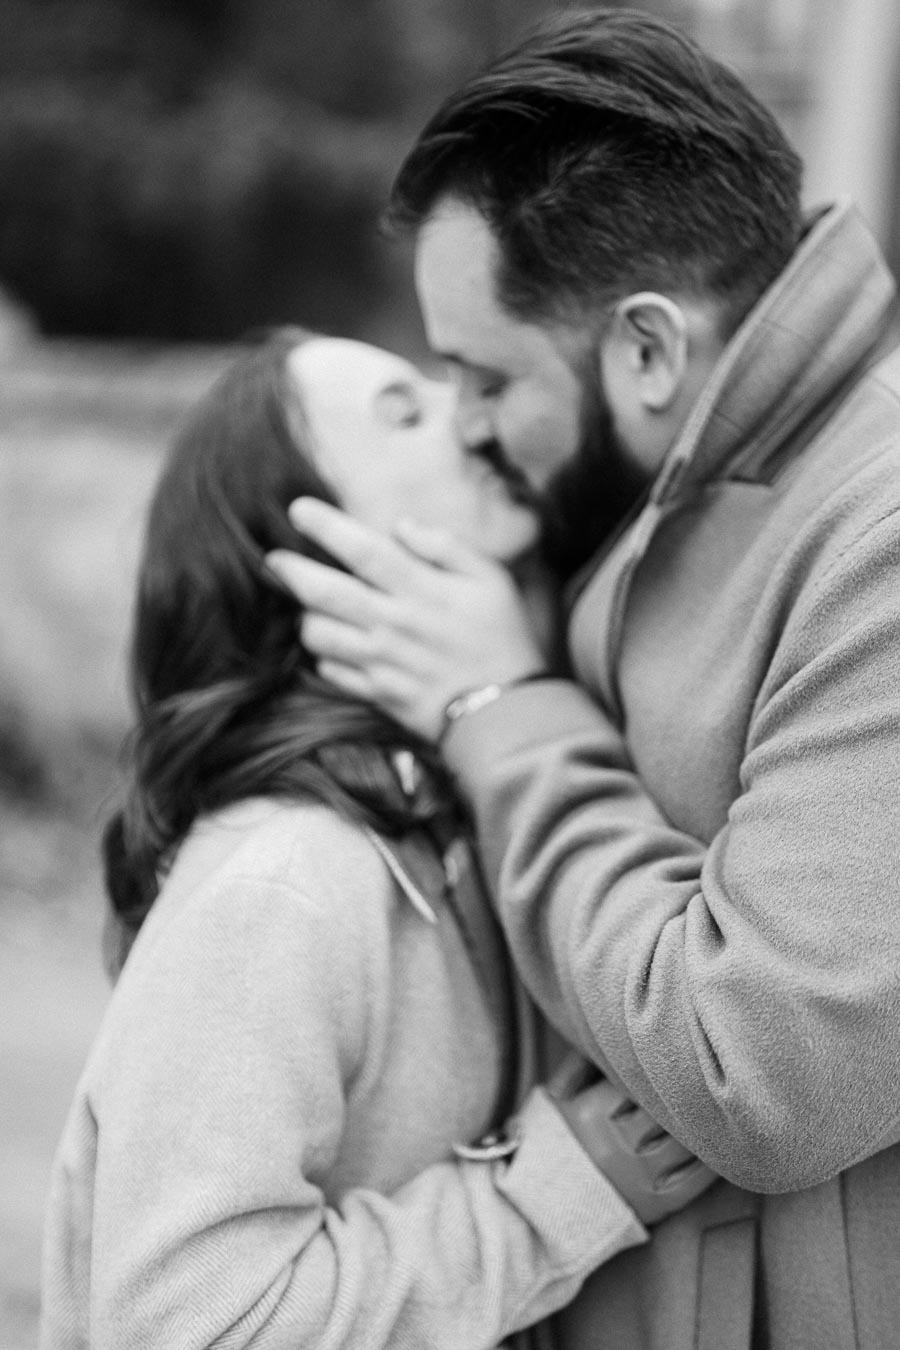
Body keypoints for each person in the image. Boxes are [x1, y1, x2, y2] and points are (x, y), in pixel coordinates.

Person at [263, 9, 900, 1349]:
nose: (469, 424)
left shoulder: (877, 537)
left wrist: (502, 708)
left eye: (483, 374)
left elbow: (769, 1073)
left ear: (651, 348)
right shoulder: (665, 477)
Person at [38, 326, 716, 1350]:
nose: (472, 412)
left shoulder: (468, 821)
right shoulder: (286, 879)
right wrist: (556, 1193)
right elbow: (190, 1324)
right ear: (312, 554)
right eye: (405, 410)